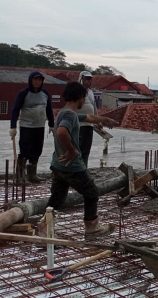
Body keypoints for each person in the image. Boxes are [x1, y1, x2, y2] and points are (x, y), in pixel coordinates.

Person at [41, 81, 119, 240]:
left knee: (56, 200)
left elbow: (89, 117)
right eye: (84, 97)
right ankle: (92, 229)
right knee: (91, 193)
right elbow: (62, 132)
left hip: (59, 165)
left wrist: (104, 119)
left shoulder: (65, 112)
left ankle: (44, 230)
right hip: (72, 167)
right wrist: (71, 150)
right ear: (80, 98)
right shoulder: (69, 115)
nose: (85, 100)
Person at [9, 71, 55, 184]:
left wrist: (51, 125)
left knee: (37, 150)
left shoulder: (45, 93)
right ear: (31, 80)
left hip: (39, 126)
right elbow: (15, 110)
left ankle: (32, 175)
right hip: (26, 126)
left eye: (39, 80)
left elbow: (49, 109)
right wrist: (13, 127)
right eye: (35, 79)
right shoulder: (23, 93)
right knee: (25, 150)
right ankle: (20, 176)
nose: (37, 82)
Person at [77, 71, 98, 168]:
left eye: (90, 80)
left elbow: (94, 107)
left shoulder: (91, 92)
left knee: (86, 149)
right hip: (78, 125)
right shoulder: (76, 91)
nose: (88, 82)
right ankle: (77, 169)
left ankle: (84, 169)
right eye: (86, 79)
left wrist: (97, 121)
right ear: (81, 79)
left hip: (89, 125)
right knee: (78, 149)